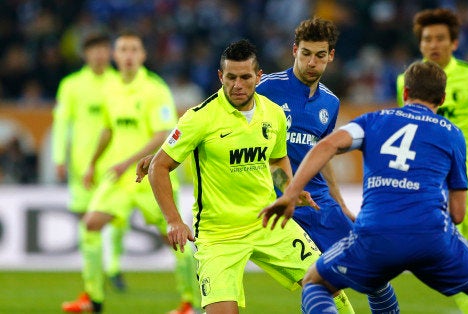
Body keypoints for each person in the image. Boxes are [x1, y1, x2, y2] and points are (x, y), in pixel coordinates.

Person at [260, 60, 468, 314]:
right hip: (431, 236)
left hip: (377, 233)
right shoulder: (453, 133)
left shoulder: (374, 120)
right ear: (442, 100)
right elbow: (458, 214)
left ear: (405, 92)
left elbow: (327, 145)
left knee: (315, 283)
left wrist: (291, 192)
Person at [139, 39, 333, 314]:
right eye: (230, 77)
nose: (237, 85)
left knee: (329, 288)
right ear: (221, 76)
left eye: (245, 77)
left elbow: (277, 160)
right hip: (219, 235)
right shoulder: (199, 118)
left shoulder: (274, 114)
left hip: (268, 223)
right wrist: (173, 220)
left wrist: (289, 189)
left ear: (258, 76)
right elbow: (160, 166)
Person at [256, 17, 395, 313]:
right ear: (294, 50)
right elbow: (219, 115)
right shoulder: (266, 88)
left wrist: (339, 202)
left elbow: (323, 154)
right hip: (274, 199)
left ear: (330, 56)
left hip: (318, 203)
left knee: (375, 273)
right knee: (316, 283)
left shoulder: (330, 102)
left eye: (320, 55)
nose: (311, 62)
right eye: (305, 53)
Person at [61, 30, 199, 314]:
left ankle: (189, 302)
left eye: (134, 50)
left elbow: (162, 134)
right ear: (115, 56)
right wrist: (91, 164)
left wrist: (127, 161)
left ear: (143, 56)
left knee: (175, 238)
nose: (128, 55)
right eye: (122, 50)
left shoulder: (155, 89)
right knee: (91, 224)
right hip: (119, 179)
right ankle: (93, 298)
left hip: (152, 177)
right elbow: (108, 130)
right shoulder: (110, 90)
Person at [396, 8, 468, 314]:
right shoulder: (404, 81)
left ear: (454, 43)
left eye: (440, 38)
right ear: (420, 44)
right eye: (427, 39)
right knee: (443, 254)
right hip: (431, 181)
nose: (433, 44)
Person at [51, 32, 129, 292]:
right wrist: (59, 157)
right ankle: (93, 279)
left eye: (104, 49)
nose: (99, 54)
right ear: (85, 54)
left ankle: (114, 267)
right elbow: (62, 123)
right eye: (94, 49)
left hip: (114, 163)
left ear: (111, 53)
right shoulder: (71, 85)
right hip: (81, 165)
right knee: (88, 223)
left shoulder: (120, 82)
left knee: (117, 218)